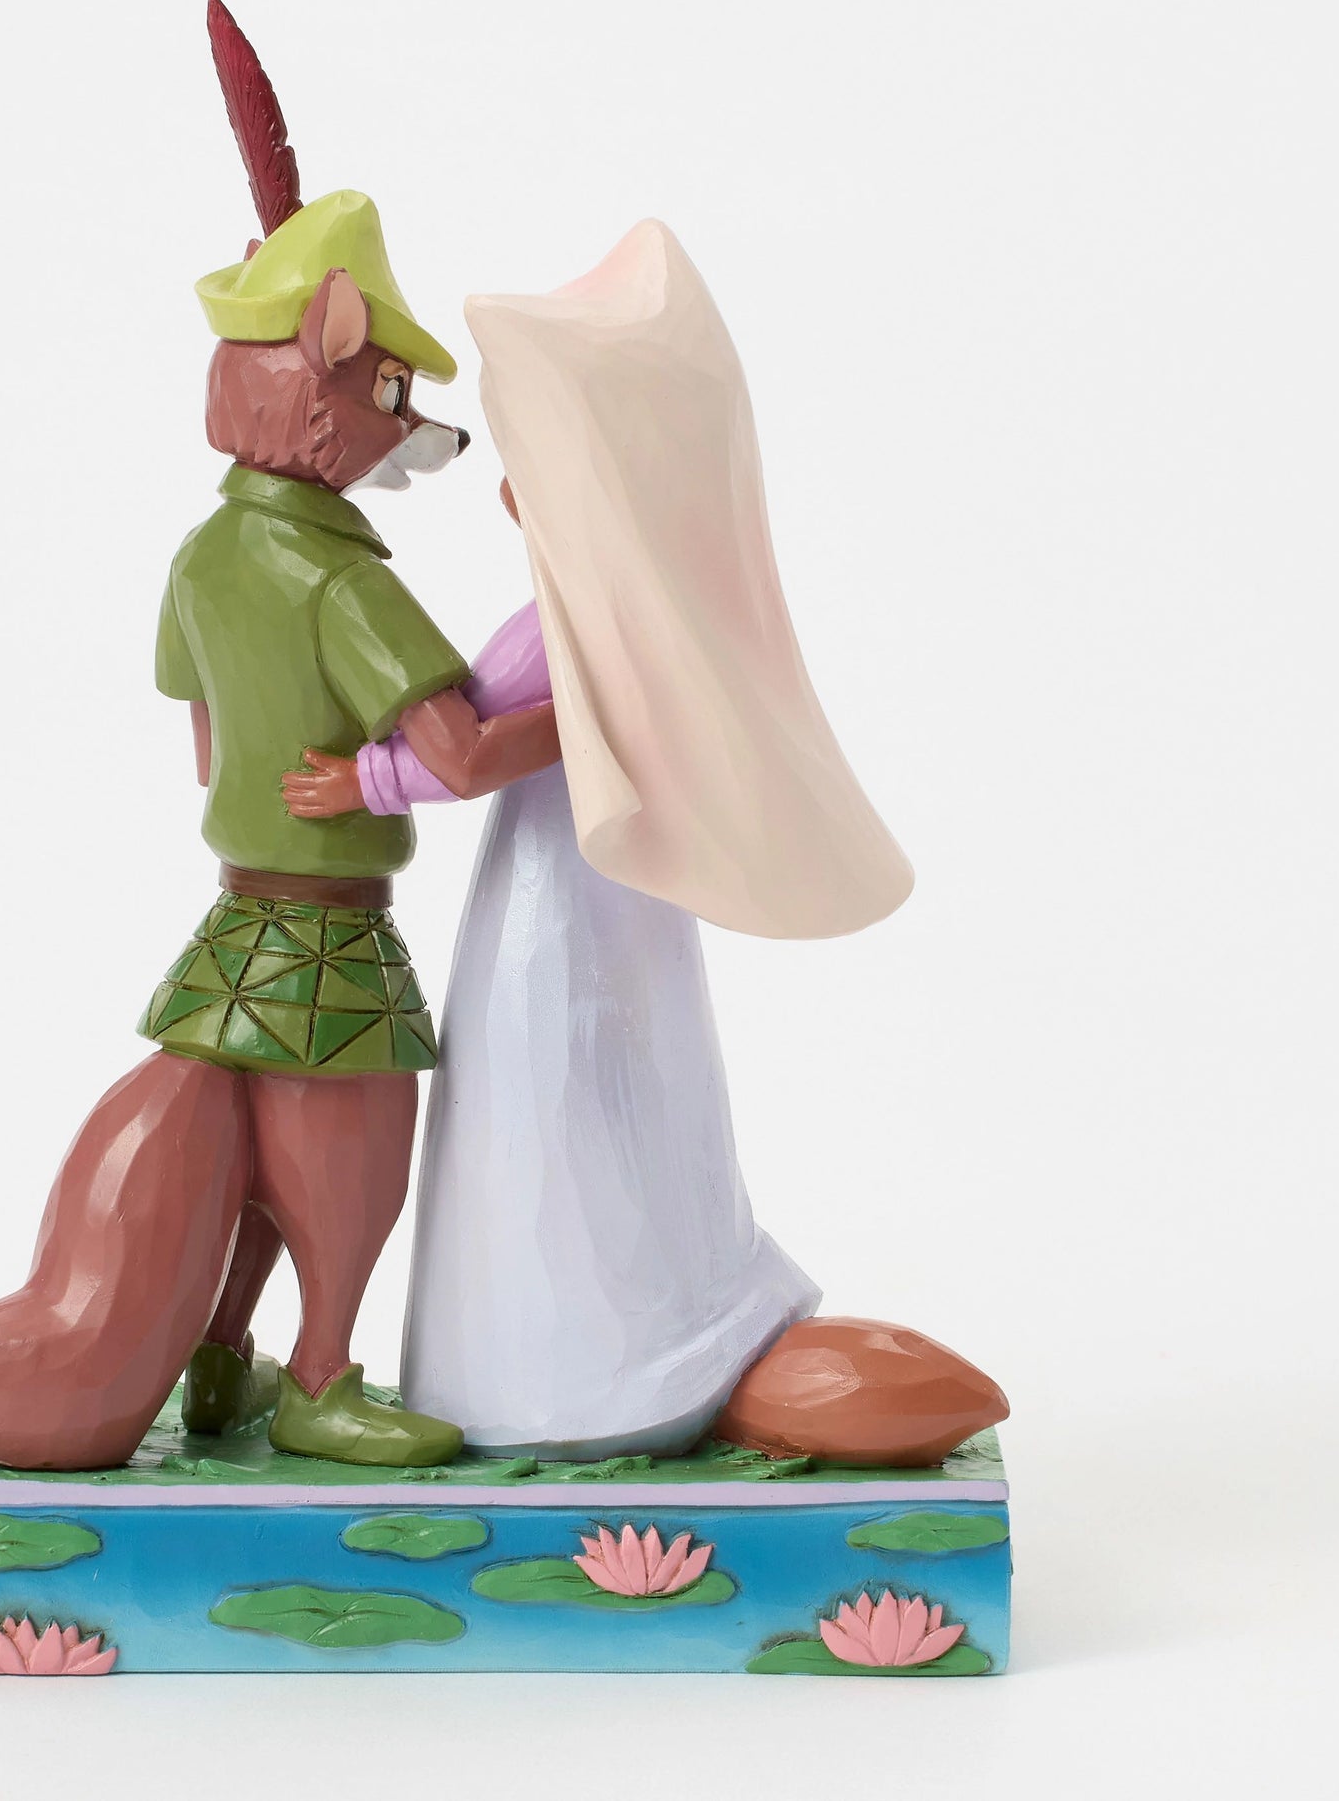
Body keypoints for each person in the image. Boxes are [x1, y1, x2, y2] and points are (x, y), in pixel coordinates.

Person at [284, 220, 914, 1458]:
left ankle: (556, 1371)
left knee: (550, 1101)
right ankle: (588, 1342)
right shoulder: (616, 623)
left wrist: (368, 773)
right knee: (604, 1092)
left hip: (560, 901)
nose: (506, 489)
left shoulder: (561, 630)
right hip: (612, 892)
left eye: (527, 465)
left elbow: (486, 749)